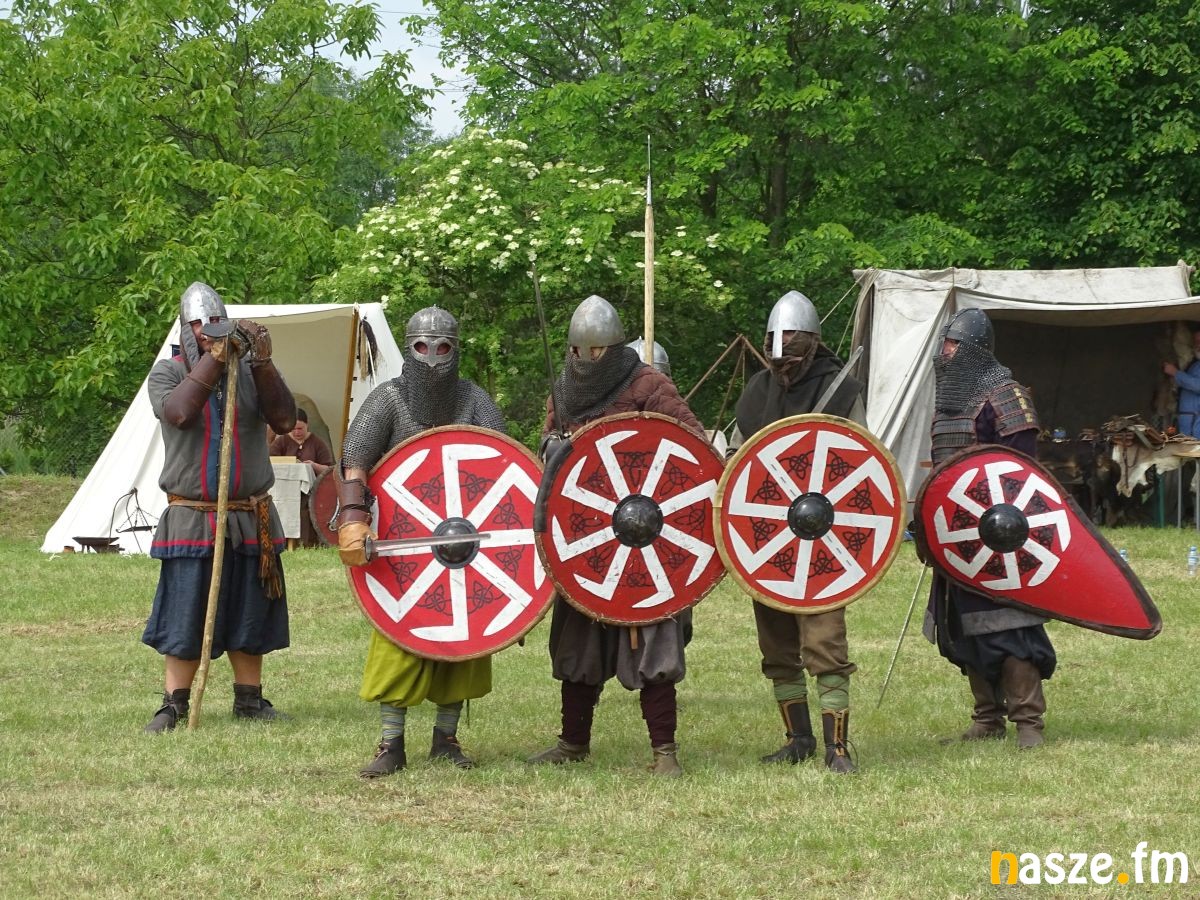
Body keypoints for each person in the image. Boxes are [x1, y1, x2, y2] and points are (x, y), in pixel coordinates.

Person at [527, 295, 704, 778]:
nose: (585, 359)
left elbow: (692, 447)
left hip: (644, 534)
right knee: (578, 642)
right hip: (586, 537)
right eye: (578, 351)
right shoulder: (563, 389)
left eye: (596, 351)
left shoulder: (648, 383)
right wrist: (551, 446)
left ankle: (664, 751)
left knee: (654, 640)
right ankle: (573, 741)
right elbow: (548, 451)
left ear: (614, 348)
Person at [338, 306, 507, 778]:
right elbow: (355, 460)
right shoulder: (389, 400)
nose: (432, 356)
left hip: (464, 540)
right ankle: (390, 743)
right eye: (421, 346)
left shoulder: (474, 400)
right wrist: (353, 517)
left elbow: (501, 464)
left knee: (463, 635)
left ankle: (445, 739)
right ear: (409, 346)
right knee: (398, 637)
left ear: (457, 350)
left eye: (443, 346)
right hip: (403, 542)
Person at [142, 282, 297, 732]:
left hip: (249, 513)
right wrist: (214, 357)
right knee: (185, 612)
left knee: (250, 609)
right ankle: (174, 704)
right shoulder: (167, 373)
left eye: (213, 322)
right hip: (193, 515)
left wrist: (262, 362)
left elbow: (285, 419)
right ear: (184, 329)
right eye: (197, 324)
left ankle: (249, 699)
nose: (206, 330)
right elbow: (179, 414)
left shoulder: (250, 374)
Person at [731, 290, 862, 774]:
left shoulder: (841, 390)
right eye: (775, 341)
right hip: (767, 538)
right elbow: (738, 459)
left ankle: (838, 747)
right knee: (777, 643)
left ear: (811, 341)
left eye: (792, 340)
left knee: (824, 640)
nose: (782, 351)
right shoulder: (758, 391)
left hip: (823, 538)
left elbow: (861, 464)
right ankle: (798, 738)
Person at [923, 307, 1055, 750]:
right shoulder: (949, 405)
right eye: (945, 344)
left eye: (952, 345)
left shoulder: (1006, 396)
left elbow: (1023, 474)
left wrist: (999, 524)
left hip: (1001, 536)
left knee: (1008, 625)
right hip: (957, 534)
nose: (944, 353)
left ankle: (1028, 721)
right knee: (961, 623)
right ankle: (987, 717)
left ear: (974, 350)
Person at [269, 408, 334, 547]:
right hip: (282, 492)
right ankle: (279, 540)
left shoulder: (317, 443)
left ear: (307, 425)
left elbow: (329, 470)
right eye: (293, 429)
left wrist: (314, 466)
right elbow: (269, 462)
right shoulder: (281, 442)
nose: (297, 432)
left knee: (303, 505)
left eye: (300, 428)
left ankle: (305, 542)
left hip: (309, 492)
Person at [1163, 325, 1200, 439]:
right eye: (1196, 341)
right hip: (1187, 422)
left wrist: (1175, 373)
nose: (1198, 344)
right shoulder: (1195, 364)